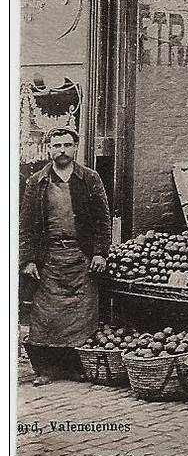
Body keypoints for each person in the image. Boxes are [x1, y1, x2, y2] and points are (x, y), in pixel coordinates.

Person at [19, 127, 111, 387]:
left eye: (67, 145)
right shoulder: (36, 181)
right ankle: (46, 369)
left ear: (75, 147)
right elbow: (25, 225)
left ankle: (73, 367)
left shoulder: (90, 179)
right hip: (49, 259)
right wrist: (27, 260)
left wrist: (100, 253)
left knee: (79, 315)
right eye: (57, 145)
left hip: (79, 256)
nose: (61, 150)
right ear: (49, 148)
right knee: (46, 316)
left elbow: (102, 220)